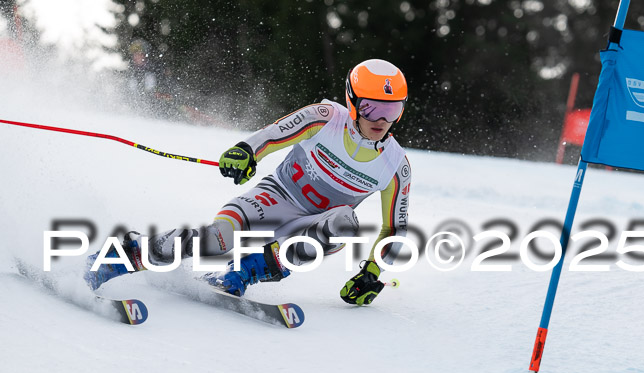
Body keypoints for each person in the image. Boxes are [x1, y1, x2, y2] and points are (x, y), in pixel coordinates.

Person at [86, 58, 411, 306]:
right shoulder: (326, 118)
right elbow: (273, 135)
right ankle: (124, 255)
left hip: (310, 228)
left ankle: (242, 272)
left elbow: (395, 229)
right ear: (353, 101)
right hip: (275, 199)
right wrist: (246, 152)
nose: (381, 120)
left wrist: (372, 273)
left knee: (345, 224)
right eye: (371, 107)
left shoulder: (396, 165)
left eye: (392, 109)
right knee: (216, 240)